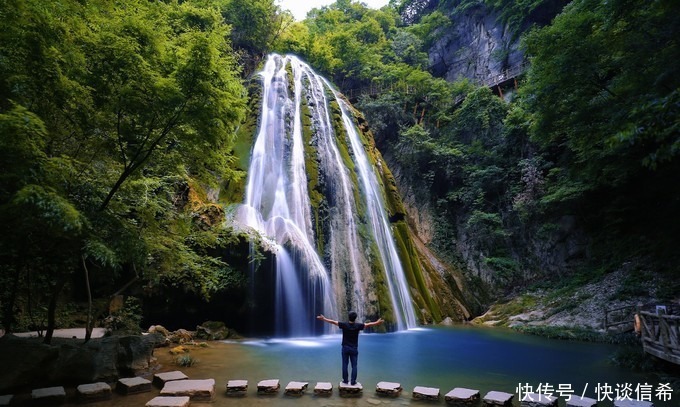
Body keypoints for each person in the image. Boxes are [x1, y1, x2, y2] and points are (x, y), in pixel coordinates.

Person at [317, 311, 384, 385]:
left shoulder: (344, 325)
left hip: (345, 348)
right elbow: (368, 325)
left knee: (345, 364)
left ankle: (345, 380)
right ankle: (353, 381)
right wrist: (377, 323)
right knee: (354, 366)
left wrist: (324, 319)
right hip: (354, 348)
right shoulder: (358, 326)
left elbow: (333, 322)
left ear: (348, 317)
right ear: (355, 318)